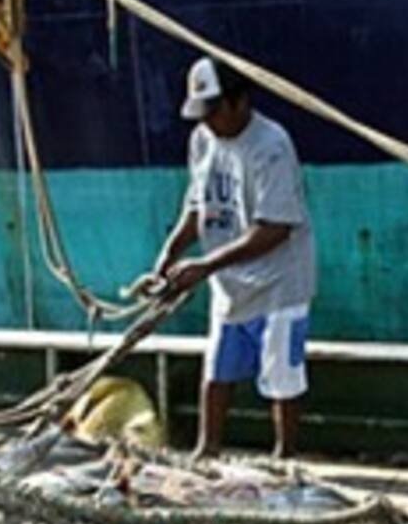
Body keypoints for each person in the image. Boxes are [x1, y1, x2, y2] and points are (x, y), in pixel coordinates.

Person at [134, 56, 316, 459]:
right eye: (202, 114)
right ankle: (207, 449)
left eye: (214, 111)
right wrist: (168, 259)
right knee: (217, 370)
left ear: (240, 102)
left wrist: (206, 265)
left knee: (282, 377)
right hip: (230, 283)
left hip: (279, 282)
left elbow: (275, 228)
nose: (209, 122)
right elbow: (198, 206)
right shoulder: (202, 140)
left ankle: (284, 456)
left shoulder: (271, 146)